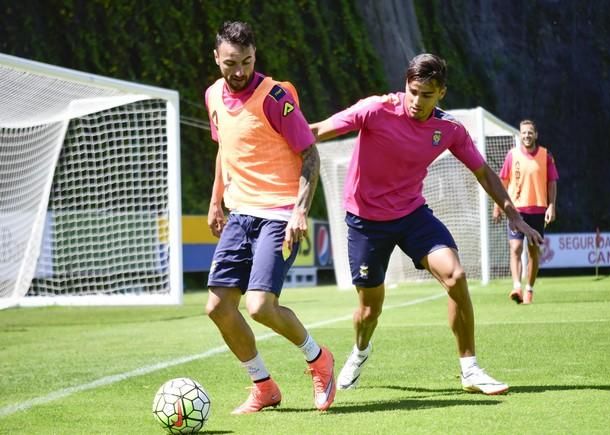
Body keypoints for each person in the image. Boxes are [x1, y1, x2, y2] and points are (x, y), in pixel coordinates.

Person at [310, 53, 543, 395]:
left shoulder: (448, 129)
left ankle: (470, 369)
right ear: (406, 84)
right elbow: (316, 131)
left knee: (456, 276)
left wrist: (512, 213)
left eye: (427, 95)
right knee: (369, 310)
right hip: (366, 220)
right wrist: (275, 133)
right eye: (413, 91)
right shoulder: (375, 109)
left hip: (411, 214)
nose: (417, 101)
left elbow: (483, 172)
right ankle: (360, 351)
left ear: (441, 93)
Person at [203, 21, 335, 414]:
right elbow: (223, 149)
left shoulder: (276, 97)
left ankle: (318, 359)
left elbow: (310, 154)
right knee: (218, 307)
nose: (239, 71)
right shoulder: (212, 94)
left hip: (279, 215)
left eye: (246, 61)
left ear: (255, 55)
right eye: (230, 63)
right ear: (217, 58)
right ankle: (263, 387)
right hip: (240, 214)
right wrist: (216, 201)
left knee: (260, 306)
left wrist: (299, 210)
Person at [493, 120, 558, 304]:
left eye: (530, 133)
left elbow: (552, 182)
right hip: (515, 211)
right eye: (523, 133)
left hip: (537, 209)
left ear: (536, 135)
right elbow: (502, 181)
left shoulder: (546, 156)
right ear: (519, 135)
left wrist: (551, 205)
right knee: (515, 248)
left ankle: (529, 289)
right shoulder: (512, 155)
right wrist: (498, 206)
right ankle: (516, 287)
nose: (527, 136)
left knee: (533, 251)